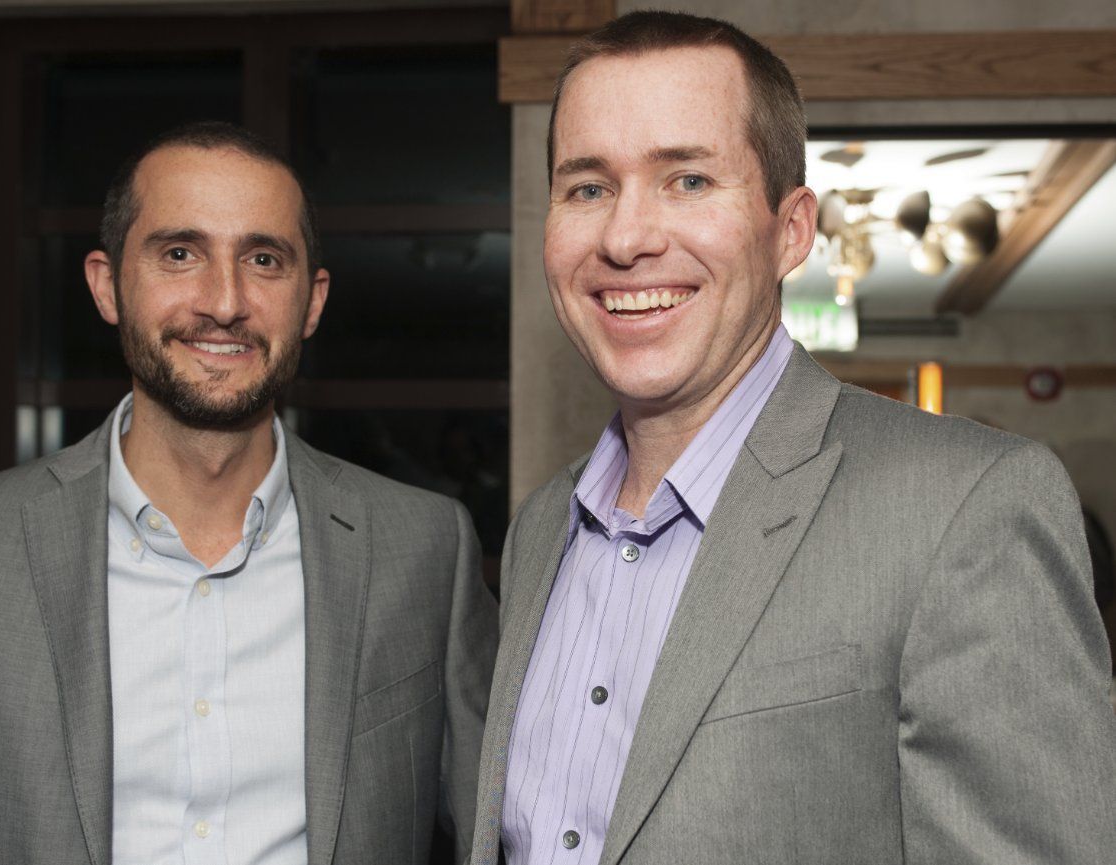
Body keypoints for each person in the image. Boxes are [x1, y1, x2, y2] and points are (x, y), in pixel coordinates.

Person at [468, 11, 1116, 865]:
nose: (625, 239)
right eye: (587, 188)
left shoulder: (968, 506)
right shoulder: (541, 528)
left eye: (688, 180)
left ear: (792, 230)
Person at [0, 121, 498, 865]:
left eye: (264, 259)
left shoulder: (423, 548)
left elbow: (494, 833)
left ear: (311, 300)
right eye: (180, 254)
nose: (225, 301)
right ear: (108, 284)